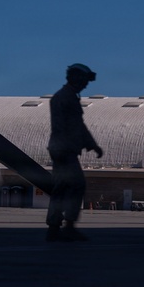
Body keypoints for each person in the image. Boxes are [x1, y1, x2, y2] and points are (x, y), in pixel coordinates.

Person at [46, 63, 103, 242]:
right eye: (84, 80)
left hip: (61, 148)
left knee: (61, 188)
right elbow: (74, 126)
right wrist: (89, 144)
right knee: (77, 185)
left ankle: (55, 227)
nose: (85, 85)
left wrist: (90, 144)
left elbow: (77, 126)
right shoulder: (65, 98)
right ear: (76, 78)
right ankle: (67, 225)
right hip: (64, 150)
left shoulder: (66, 96)